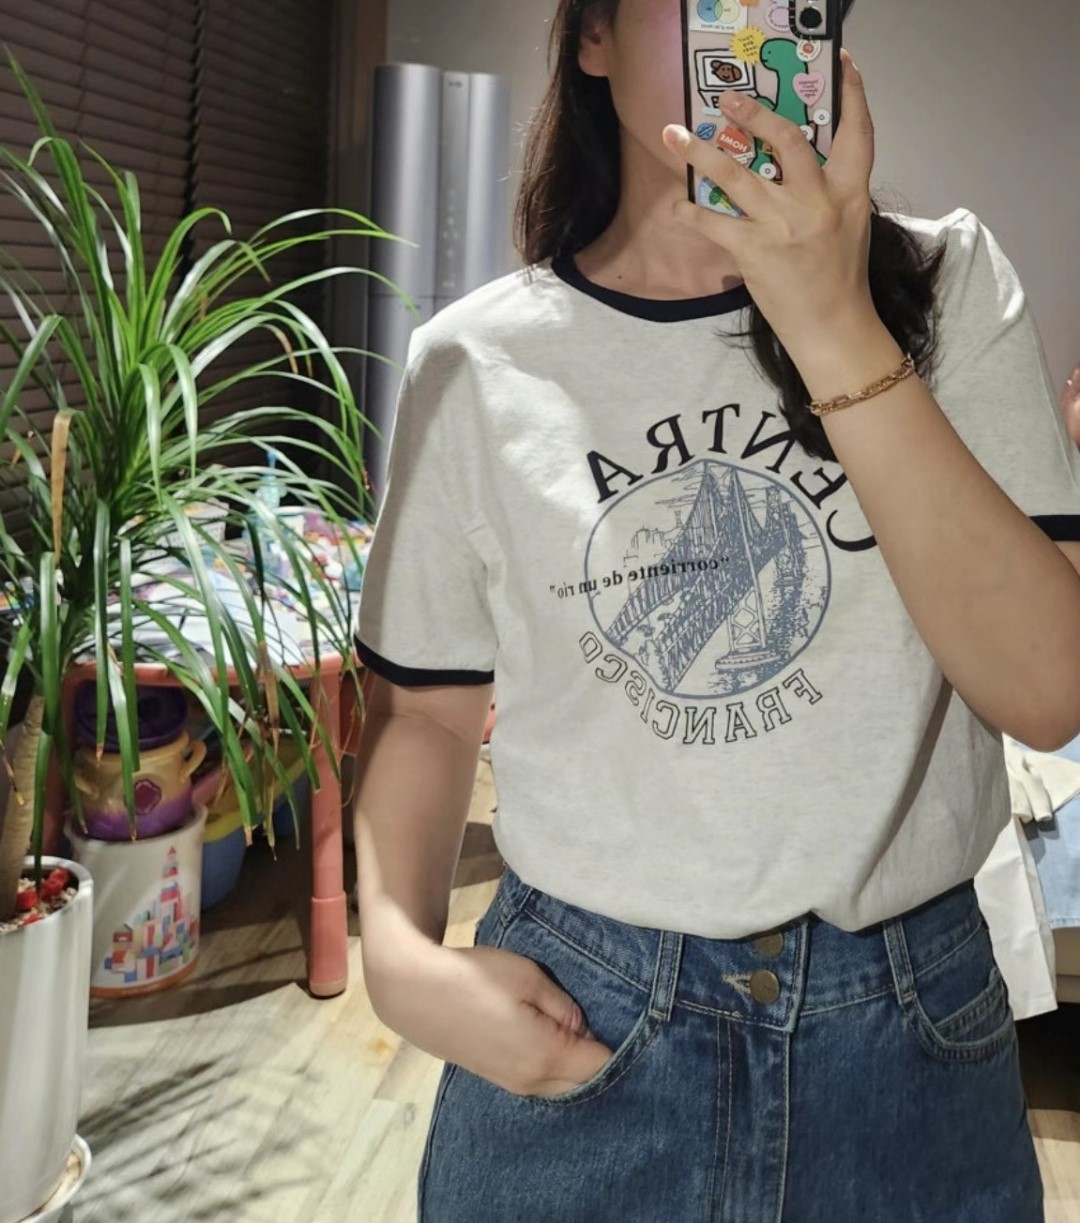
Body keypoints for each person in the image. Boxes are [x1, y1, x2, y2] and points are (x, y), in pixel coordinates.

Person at [352, 1, 1080, 1219]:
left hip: (906, 1036)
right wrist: (393, 950)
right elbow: (424, 716)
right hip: (583, 1010)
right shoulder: (474, 363)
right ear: (591, 40)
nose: (738, 25)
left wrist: (831, 318)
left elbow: (1047, 689)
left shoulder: (951, 285)